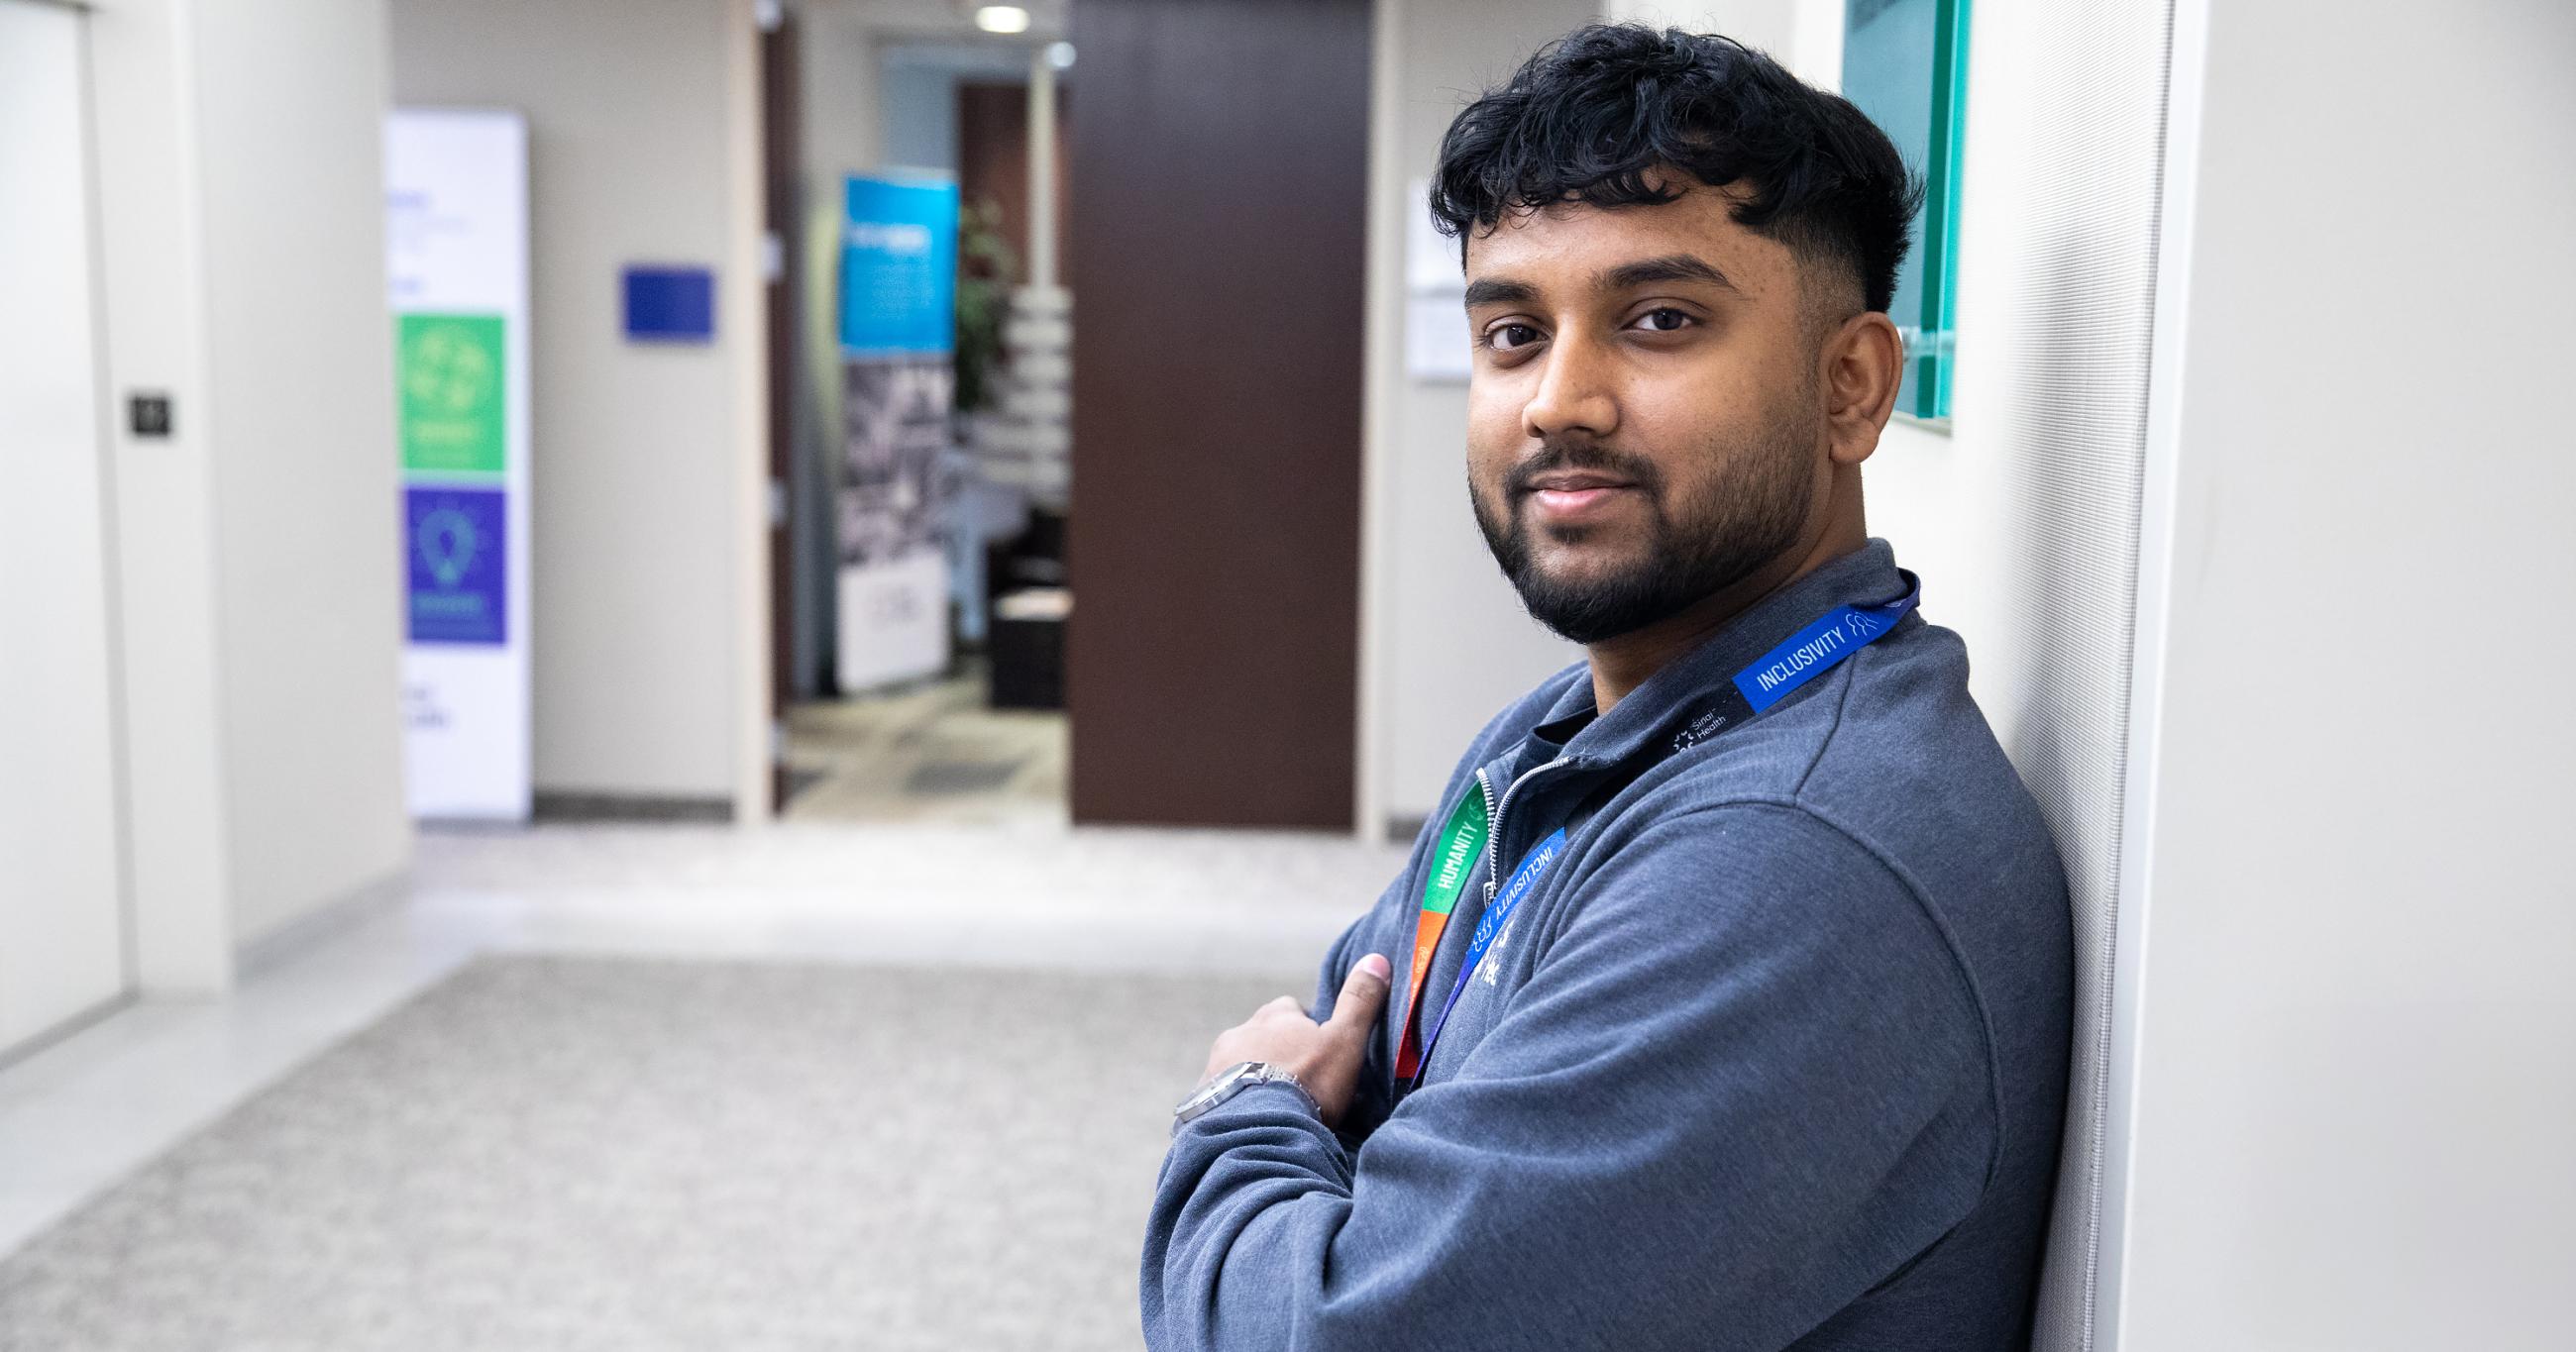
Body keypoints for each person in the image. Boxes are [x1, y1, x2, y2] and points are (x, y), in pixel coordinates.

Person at [1140, 24, 2073, 1352]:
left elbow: (1314, 1322)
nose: (1558, 401)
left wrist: (1239, 1106)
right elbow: (1358, 1021)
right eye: (1513, 332)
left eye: (1660, 320)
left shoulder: (1796, 857)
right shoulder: (1565, 730)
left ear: (1852, 385)